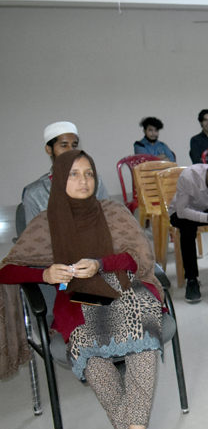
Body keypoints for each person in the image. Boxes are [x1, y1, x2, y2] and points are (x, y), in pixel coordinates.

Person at [2, 150, 165, 429]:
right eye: (74, 174)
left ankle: (132, 426)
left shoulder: (113, 210)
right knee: (89, 350)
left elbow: (137, 254)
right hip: (77, 295)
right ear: (58, 180)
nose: (83, 181)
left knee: (145, 333)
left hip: (125, 287)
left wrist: (100, 264)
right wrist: (45, 273)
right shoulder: (45, 222)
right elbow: (7, 269)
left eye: (89, 173)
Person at [167, 155, 208, 303]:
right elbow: (182, 211)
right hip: (180, 212)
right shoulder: (189, 177)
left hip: (205, 208)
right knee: (188, 227)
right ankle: (191, 280)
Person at [24, 121, 110, 224]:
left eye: (74, 145)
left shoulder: (95, 182)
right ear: (49, 150)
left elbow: (109, 219)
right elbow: (33, 234)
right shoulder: (35, 193)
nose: (71, 151)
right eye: (64, 146)